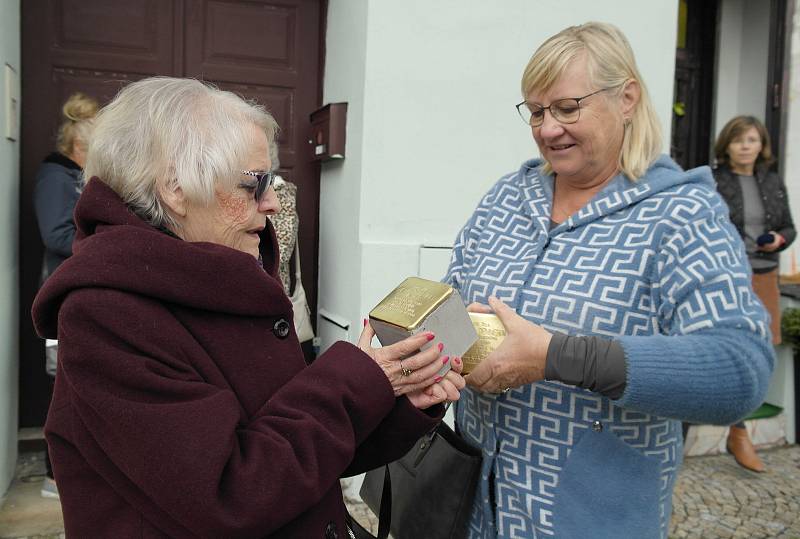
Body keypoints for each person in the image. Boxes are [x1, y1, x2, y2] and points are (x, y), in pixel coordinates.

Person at [31, 77, 465, 538]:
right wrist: (354, 382)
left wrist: (395, 402)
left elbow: (299, 454)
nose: (273, 202)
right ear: (176, 187)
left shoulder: (227, 279)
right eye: (255, 184)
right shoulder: (108, 315)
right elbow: (233, 494)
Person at [445, 22, 774, 539]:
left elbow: (740, 369)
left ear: (627, 98)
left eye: (567, 107)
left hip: (589, 521)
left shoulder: (681, 214)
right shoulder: (506, 198)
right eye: (535, 111)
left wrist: (557, 356)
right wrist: (438, 347)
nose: (547, 128)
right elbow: (453, 303)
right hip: (469, 515)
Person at [712, 115, 795, 472]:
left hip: (765, 274)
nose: (746, 146)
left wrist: (780, 239)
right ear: (726, 145)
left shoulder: (773, 181)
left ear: (762, 145)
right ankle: (739, 430)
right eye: (738, 140)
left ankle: (737, 426)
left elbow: (788, 226)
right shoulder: (713, 181)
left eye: (752, 140)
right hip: (730, 276)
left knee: (766, 346)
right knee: (731, 346)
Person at [32, 91, 99, 499]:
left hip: (74, 289)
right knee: (62, 386)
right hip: (60, 293)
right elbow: (56, 234)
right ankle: (54, 477)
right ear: (80, 147)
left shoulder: (68, 174)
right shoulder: (56, 176)